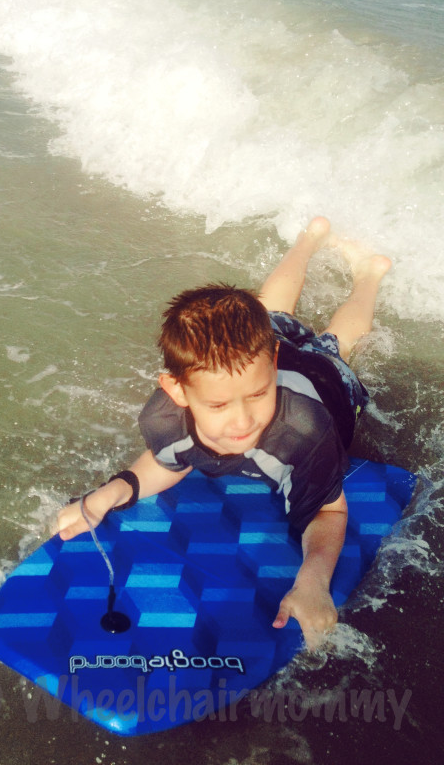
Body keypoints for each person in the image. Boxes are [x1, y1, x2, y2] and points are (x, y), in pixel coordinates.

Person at [54, 216, 391, 649]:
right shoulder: (165, 417)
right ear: (176, 391)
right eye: (217, 405)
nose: (243, 421)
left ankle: (368, 278)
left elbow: (330, 512)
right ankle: (308, 242)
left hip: (324, 386)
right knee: (269, 311)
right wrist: (111, 494)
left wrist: (312, 581)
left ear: (271, 359)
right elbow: (166, 461)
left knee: (335, 341)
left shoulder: (302, 431)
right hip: (250, 367)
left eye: (256, 397)